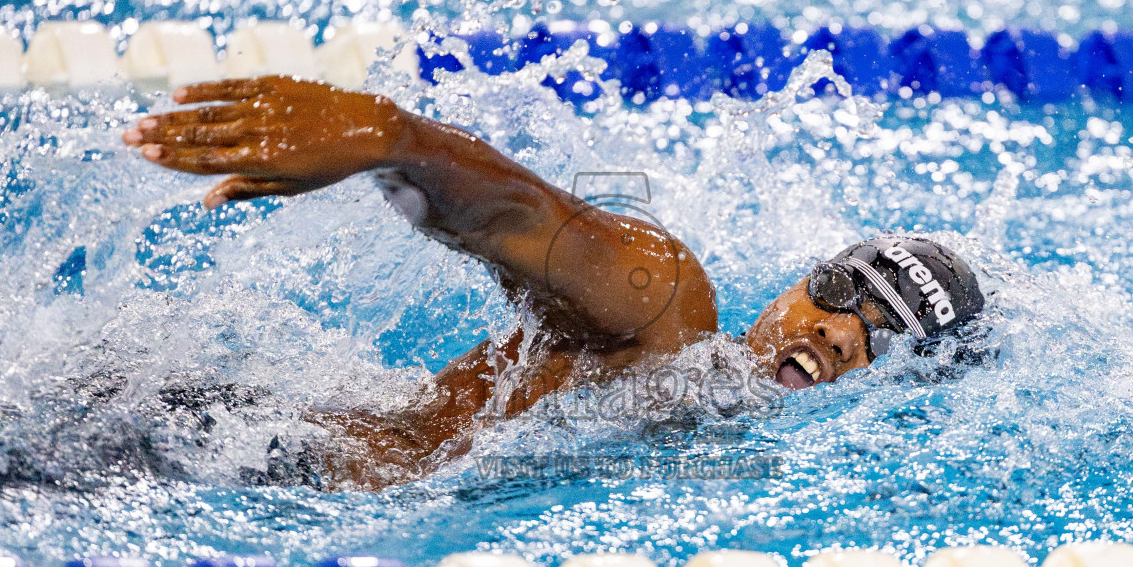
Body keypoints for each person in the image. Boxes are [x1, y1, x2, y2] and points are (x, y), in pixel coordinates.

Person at [123, 75, 986, 489]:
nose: (844, 331)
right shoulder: (669, 312)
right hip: (238, 458)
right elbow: (525, 221)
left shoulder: (750, 454)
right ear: (799, 285)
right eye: (843, 292)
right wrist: (392, 138)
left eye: (888, 334)